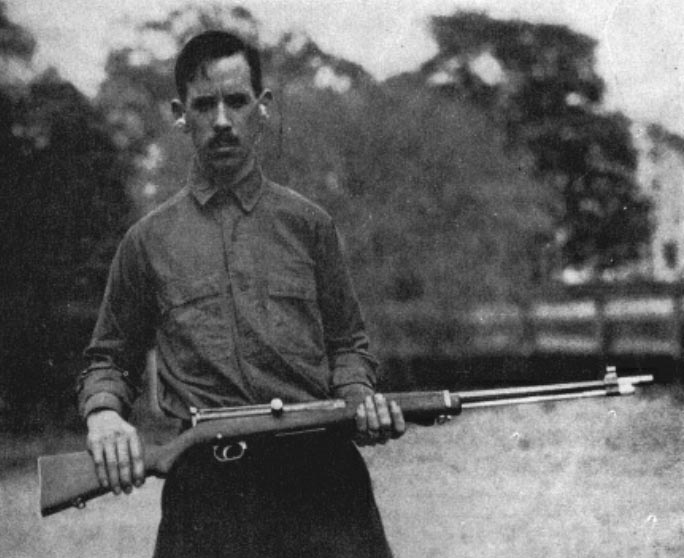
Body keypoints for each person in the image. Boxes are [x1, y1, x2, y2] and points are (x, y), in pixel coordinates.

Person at [77, 30, 405, 558]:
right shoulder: (146, 242)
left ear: (262, 106)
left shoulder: (310, 225)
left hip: (323, 485)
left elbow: (349, 345)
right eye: (204, 105)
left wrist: (357, 399)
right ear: (180, 114)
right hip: (208, 496)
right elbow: (109, 360)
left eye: (237, 100)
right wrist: (105, 416)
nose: (223, 120)